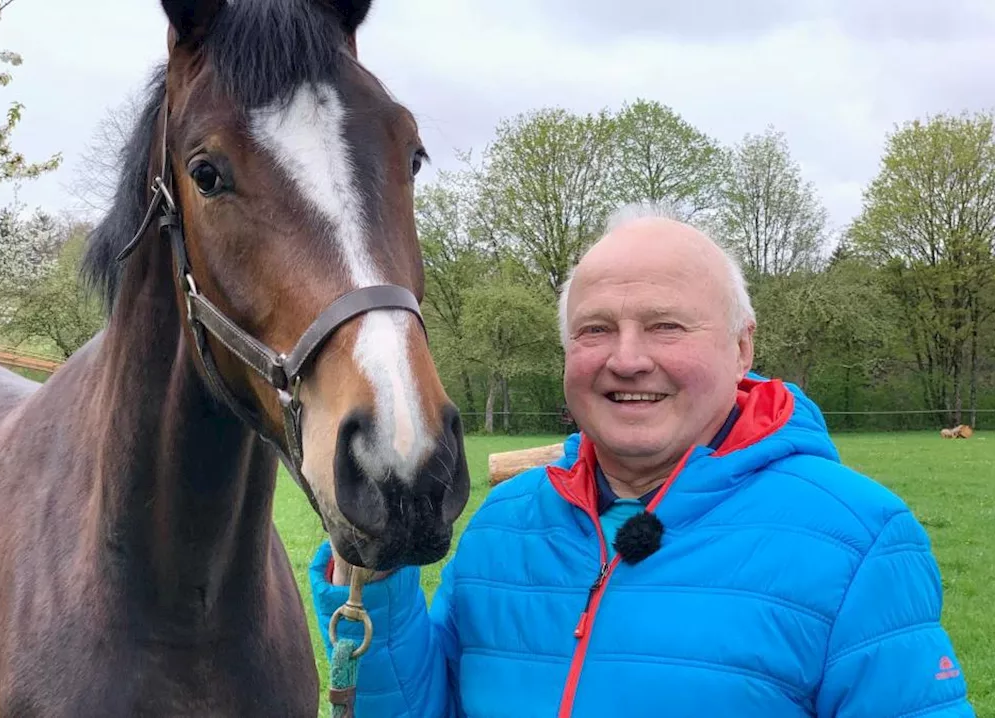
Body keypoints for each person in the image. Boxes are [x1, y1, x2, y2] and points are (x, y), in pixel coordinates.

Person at [308, 204, 975, 717]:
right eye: (596, 329)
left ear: (742, 349)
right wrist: (376, 576)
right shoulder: (507, 523)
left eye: (666, 325)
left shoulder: (857, 539)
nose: (627, 358)